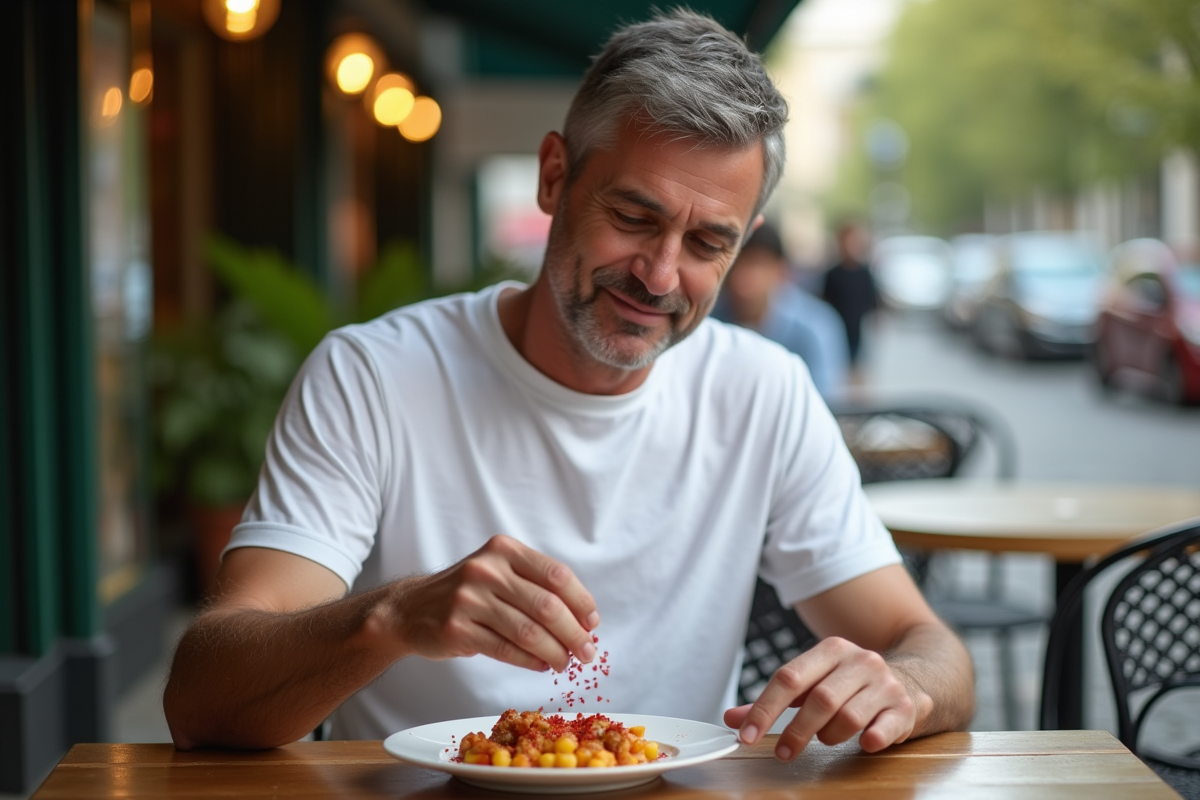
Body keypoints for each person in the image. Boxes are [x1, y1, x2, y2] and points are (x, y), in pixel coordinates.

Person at [164, 11, 973, 761]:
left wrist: (901, 687)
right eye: (634, 217)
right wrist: (390, 616)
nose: (660, 275)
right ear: (555, 176)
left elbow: (933, 650)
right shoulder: (371, 376)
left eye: (706, 243)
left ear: (745, 242)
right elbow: (201, 699)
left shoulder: (765, 392)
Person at [714, 221, 849, 399]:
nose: (742, 280)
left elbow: (826, 398)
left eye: (755, 265)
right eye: (734, 265)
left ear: (780, 270)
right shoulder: (710, 319)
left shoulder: (815, 325)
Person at [821, 222, 879, 373]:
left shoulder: (864, 273)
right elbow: (825, 301)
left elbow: (872, 299)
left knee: (856, 361)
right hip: (837, 326)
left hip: (857, 327)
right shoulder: (833, 273)